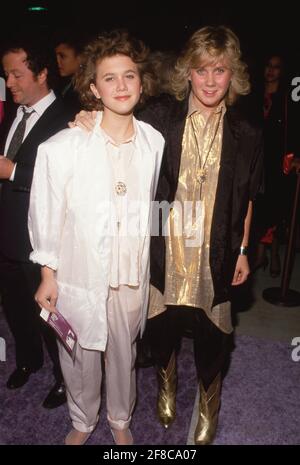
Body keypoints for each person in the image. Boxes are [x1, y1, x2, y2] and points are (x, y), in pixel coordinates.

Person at [73, 25, 263, 445]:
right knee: (161, 332)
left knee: (214, 340)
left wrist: (245, 250)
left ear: (233, 76)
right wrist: (88, 116)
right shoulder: (159, 118)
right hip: (163, 248)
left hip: (215, 252)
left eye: (220, 70)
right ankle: (166, 384)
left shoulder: (247, 136)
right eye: (201, 70)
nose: (210, 80)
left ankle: (209, 405)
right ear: (187, 73)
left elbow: (247, 198)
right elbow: (117, 126)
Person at [28, 29, 164, 445]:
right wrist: (48, 274)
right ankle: (83, 419)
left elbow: (156, 208)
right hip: (80, 273)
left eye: (129, 76)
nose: (121, 85)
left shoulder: (154, 143)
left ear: (142, 84)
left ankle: (120, 418)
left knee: (124, 354)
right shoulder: (63, 147)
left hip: (130, 274)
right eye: (109, 77)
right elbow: (45, 213)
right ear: (93, 87)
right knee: (79, 357)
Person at [0, 36, 75, 409]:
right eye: (6, 75)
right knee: (14, 309)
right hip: (6, 237)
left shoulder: (68, 118)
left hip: (42, 243)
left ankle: (66, 379)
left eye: (16, 74)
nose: (9, 82)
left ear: (42, 73)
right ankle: (28, 361)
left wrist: (13, 171)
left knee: (51, 317)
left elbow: (66, 182)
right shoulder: (14, 112)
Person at [252, 54, 290, 277]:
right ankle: (259, 254)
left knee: (277, 207)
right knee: (257, 206)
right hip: (257, 158)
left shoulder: (286, 98)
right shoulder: (254, 94)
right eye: (268, 65)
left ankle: (274, 253)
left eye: (276, 67)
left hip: (277, 159)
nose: (271, 71)